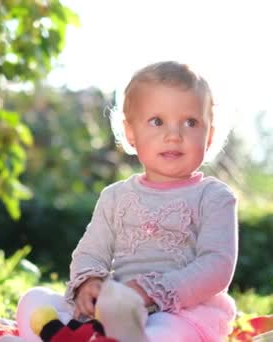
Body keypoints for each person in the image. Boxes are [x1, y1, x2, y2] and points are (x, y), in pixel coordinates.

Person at [15, 61, 238, 342]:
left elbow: (216, 267)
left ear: (210, 136)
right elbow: (90, 253)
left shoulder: (214, 197)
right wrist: (91, 283)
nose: (174, 135)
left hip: (184, 316)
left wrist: (151, 290)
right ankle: (90, 335)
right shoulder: (115, 197)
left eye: (190, 122)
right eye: (157, 121)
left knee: (164, 335)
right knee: (34, 301)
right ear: (131, 132)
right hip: (112, 312)